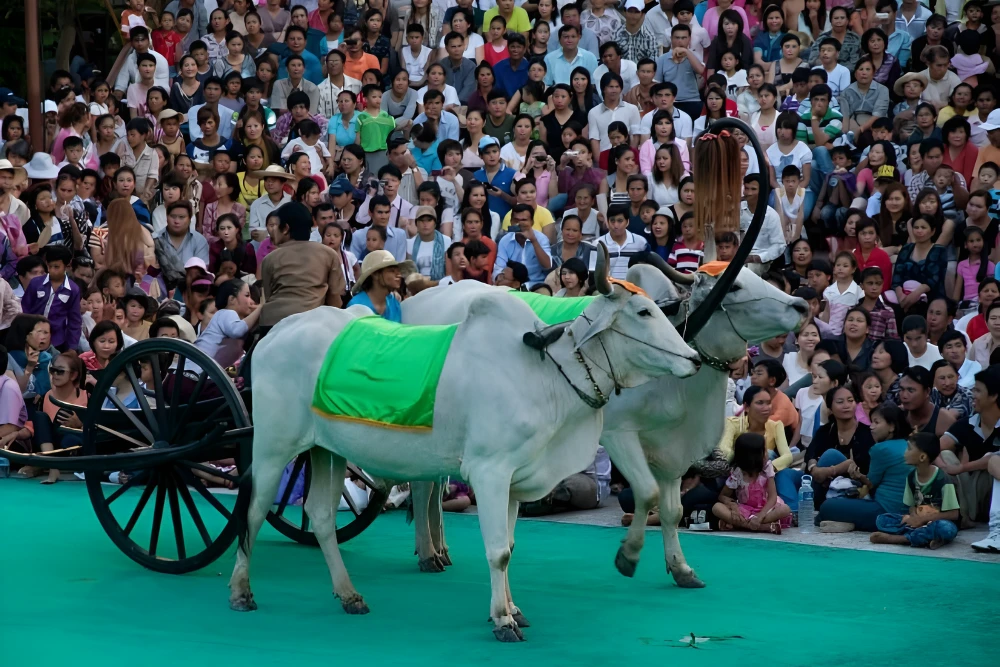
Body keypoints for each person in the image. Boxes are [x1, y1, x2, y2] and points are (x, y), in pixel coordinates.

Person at [259, 203, 346, 333]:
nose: (273, 230)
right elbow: (335, 298)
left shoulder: (269, 259)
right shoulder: (328, 254)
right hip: (312, 322)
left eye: (276, 225)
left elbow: (268, 296)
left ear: (286, 229)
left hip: (272, 323)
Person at [870, 432, 960, 548]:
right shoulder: (911, 477)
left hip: (936, 521)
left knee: (945, 529)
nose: (905, 453)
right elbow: (911, 506)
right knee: (883, 520)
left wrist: (923, 519)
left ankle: (901, 539)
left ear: (922, 457)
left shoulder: (942, 479)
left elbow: (953, 514)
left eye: (909, 449)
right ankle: (926, 538)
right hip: (918, 523)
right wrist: (913, 518)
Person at [712, 432, 793, 534]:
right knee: (717, 508)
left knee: (785, 509)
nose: (767, 453)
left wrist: (760, 516)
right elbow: (723, 496)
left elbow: (772, 497)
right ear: (754, 457)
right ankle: (759, 527)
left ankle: (743, 525)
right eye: (764, 451)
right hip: (745, 510)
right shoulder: (738, 473)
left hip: (765, 510)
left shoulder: (767, 469)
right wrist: (734, 508)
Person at [20, 246, 80, 353]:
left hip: (56, 341)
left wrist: (72, 347)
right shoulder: (36, 283)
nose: (52, 270)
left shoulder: (73, 290)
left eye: (56, 267)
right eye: (49, 266)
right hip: (30, 337)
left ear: (67, 266)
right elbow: (25, 308)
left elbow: (74, 321)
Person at [350, 249, 403, 322]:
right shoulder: (357, 305)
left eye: (398, 271)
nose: (399, 275)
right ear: (375, 274)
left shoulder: (394, 302)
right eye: (392, 271)